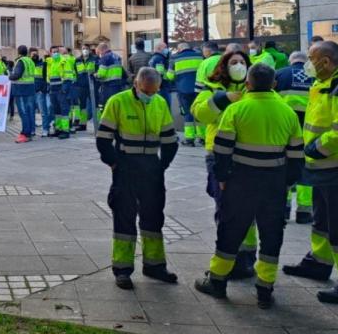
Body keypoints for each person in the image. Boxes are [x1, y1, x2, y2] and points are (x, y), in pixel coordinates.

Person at [194, 64, 303, 309]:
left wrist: (222, 177)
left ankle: (218, 282)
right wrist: (287, 182)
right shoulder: (288, 113)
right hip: (274, 184)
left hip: (240, 182)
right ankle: (265, 288)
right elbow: (296, 155)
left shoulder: (236, 110)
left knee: (230, 232)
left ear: (247, 84)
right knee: (271, 236)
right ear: (274, 84)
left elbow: (221, 150)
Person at [283, 41, 338, 304]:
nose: (308, 64)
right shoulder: (324, 84)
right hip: (326, 169)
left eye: (312, 58)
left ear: (325, 61)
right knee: (322, 222)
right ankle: (319, 263)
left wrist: (314, 149)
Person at [96, 68, 179, 289]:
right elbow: (103, 138)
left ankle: (155, 265)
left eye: (154, 92)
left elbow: (170, 139)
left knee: (153, 217)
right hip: (126, 166)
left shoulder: (159, 103)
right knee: (124, 216)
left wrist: (163, 165)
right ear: (136, 84)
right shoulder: (118, 101)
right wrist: (114, 163)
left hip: (151, 166)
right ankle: (122, 269)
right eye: (146, 91)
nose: (149, 96)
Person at [192, 50, 258, 277]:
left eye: (242, 62)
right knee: (226, 208)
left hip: (247, 153)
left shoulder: (254, 88)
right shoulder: (213, 88)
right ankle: (229, 259)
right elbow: (199, 113)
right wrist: (222, 100)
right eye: (234, 62)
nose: (238, 65)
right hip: (219, 153)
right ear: (224, 66)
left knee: (247, 209)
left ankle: (246, 258)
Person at [274, 51, 314, 224]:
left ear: (291, 61)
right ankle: (304, 212)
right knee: (306, 171)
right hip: (309, 130)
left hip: (285, 129)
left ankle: (283, 210)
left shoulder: (280, 74)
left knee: (284, 169)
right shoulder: (314, 76)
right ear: (305, 62)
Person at [169, 43, 202, 146]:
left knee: (188, 114)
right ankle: (202, 137)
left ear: (179, 49)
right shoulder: (200, 56)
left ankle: (189, 139)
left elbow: (170, 76)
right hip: (199, 89)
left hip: (183, 90)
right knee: (199, 112)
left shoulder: (175, 58)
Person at [8, 45, 37, 143]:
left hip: (21, 90)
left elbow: (17, 75)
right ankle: (30, 131)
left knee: (23, 112)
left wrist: (9, 76)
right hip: (30, 88)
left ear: (18, 52)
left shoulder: (20, 61)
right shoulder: (30, 61)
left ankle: (26, 133)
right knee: (29, 112)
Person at [95, 41, 127, 116]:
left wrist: (95, 75)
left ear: (102, 50)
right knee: (116, 105)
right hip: (118, 85)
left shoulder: (105, 58)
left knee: (106, 105)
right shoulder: (117, 56)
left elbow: (101, 74)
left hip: (108, 86)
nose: (99, 54)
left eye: (99, 52)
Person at [46, 47, 70, 139]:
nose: (55, 53)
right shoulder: (50, 62)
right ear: (50, 53)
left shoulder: (64, 61)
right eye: (53, 52)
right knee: (56, 111)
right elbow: (48, 77)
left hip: (61, 90)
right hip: (53, 90)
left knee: (64, 110)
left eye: (57, 52)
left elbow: (68, 76)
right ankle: (58, 129)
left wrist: (64, 89)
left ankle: (65, 131)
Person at [73, 45, 97, 131]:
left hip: (92, 86)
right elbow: (75, 73)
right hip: (81, 86)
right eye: (83, 49)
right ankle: (83, 124)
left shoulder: (94, 59)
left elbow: (98, 71)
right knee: (82, 106)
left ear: (90, 50)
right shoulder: (77, 60)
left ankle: (98, 123)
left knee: (95, 105)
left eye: (86, 49)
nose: (85, 50)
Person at [32, 48, 52, 138]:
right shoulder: (29, 64)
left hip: (40, 91)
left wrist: (47, 56)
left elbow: (45, 77)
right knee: (31, 112)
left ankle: (45, 129)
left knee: (44, 111)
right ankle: (32, 130)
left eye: (36, 54)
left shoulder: (42, 64)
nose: (34, 56)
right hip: (31, 91)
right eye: (32, 54)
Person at [149, 42, 174, 108]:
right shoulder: (159, 58)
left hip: (158, 87)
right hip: (162, 87)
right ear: (159, 48)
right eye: (165, 47)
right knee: (166, 108)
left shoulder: (153, 58)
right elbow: (159, 74)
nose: (167, 49)